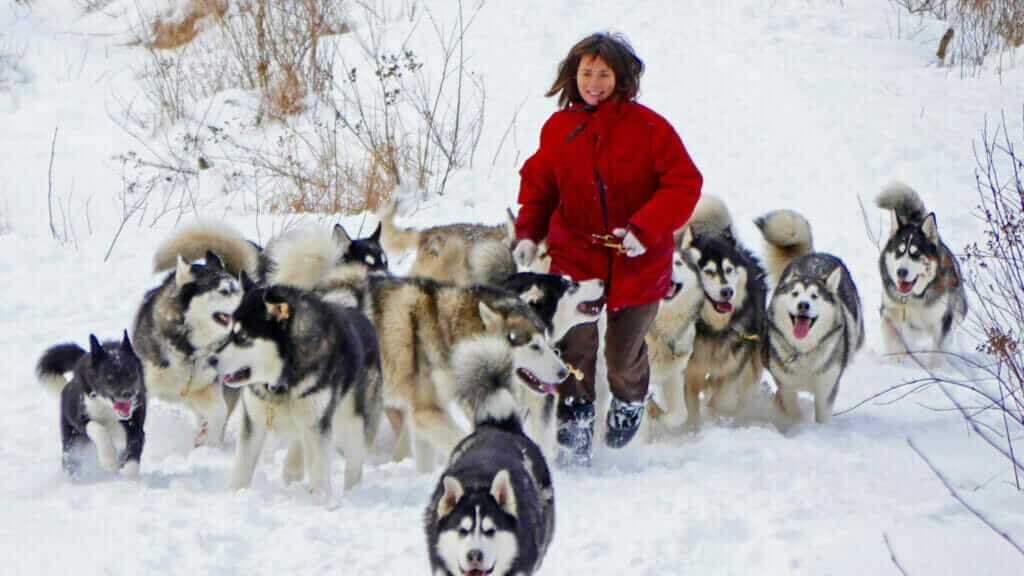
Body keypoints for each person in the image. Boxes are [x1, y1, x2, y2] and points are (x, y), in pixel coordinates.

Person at [514, 32, 703, 466]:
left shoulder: (650, 128)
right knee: (575, 343)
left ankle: (630, 398)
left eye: (604, 74)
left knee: (622, 353)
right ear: (573, 75)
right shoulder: (559, 128)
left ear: (621, 78)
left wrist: (645, 228)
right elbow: (540, 187)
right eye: (586, 73)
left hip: (639, 260)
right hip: (575, 254)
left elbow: (684, 183)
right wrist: (528, 233)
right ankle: (575, 420)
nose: (594, 83)